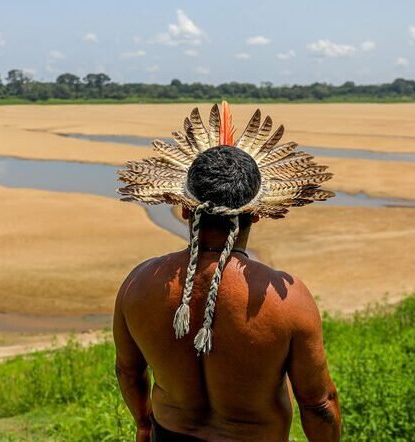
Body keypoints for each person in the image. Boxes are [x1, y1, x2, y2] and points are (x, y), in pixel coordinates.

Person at [114, 102, 340, 441]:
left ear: (185, 209)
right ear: (259, 212)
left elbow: (128, 372)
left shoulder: (139, 284)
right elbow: (319, 403)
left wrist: (144, 423)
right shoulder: (288, 300)